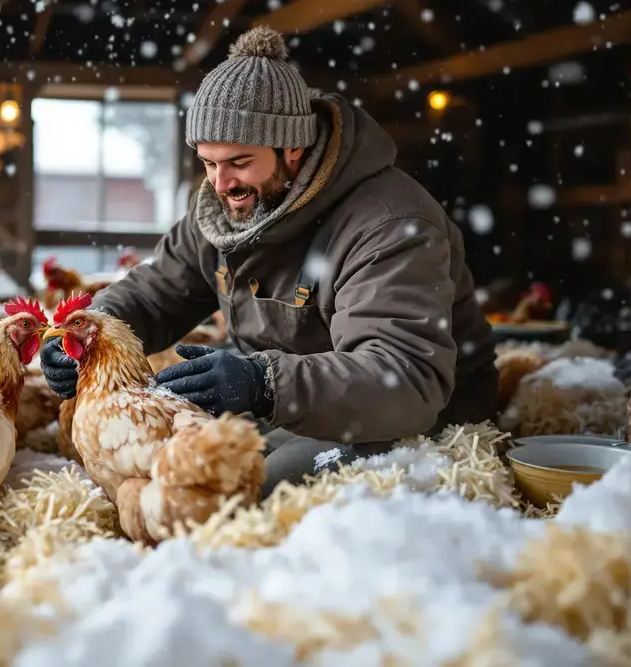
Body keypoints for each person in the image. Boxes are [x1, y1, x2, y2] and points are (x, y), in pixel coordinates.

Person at [39, 27, 499, 497]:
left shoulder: (387, 224)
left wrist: (263, 383)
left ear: (292, 148)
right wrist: (93, 331)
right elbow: (159, 290)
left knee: (248, 492)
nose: (220, 183)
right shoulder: (228, 206)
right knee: (175, 470)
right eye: (208, 162)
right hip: (291, 401)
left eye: (239, 162)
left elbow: (403, 378)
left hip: (404, 414)